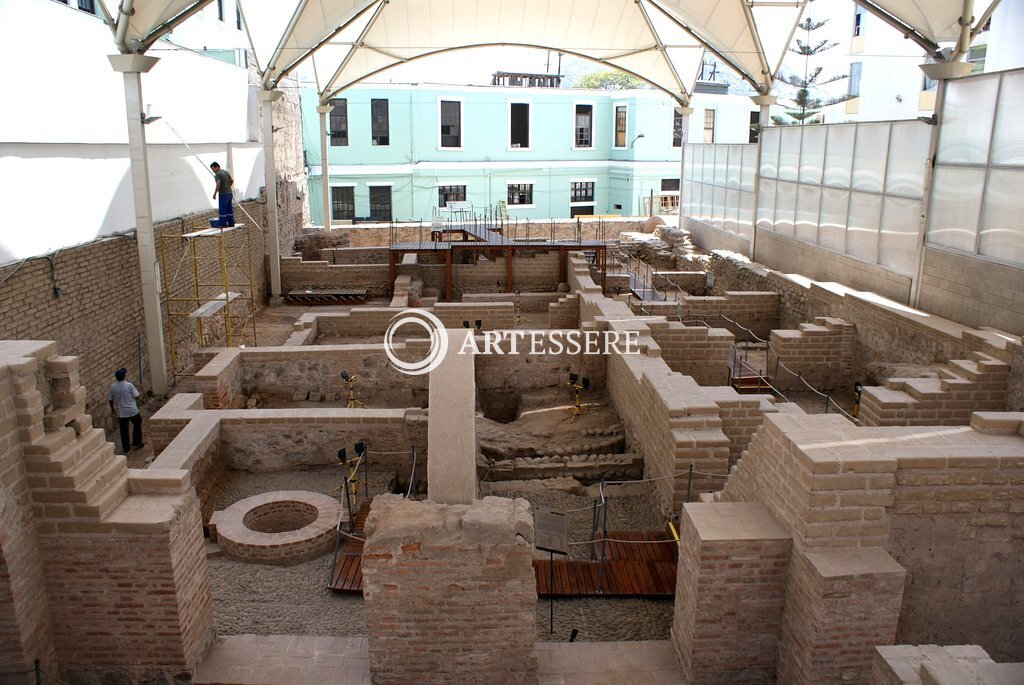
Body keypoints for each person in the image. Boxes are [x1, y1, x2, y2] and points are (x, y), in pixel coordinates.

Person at [108, 368, 144, 453]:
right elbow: (136, 396)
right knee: (137, 423)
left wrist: (112, 408)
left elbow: (110, 399)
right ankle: (136, 442)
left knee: (123, 430)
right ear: (124, 376)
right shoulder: (129, 385)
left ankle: (126, 447)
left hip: (121, 412)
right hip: (132, 410)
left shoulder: (113, 387)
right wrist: (141, 391)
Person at [210, 161, 235, 227]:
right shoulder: (225, 172)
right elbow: (231, 180)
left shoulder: (218, 174)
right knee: (229, 208)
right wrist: (228, 186)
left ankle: (223, 223)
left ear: (217, 167)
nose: (213, 171)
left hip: (223, 194)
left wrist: (215, 193)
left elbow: (218, 184)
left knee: (222, 209)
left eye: (213, 169)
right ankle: (231, 223)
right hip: (229, 193)